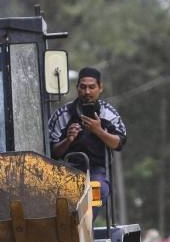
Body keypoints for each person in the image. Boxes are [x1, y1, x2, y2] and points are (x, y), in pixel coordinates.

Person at [48, 67, 127, 204]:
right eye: (83, 87)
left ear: (100, 88)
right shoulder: (63, 114)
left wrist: (99, 131)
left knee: (97, 191)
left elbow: (119, 143)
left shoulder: (108, 113)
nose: (87, 92)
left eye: (92, 87)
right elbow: (51, 152)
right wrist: (68, 140)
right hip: (66, 170)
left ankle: (84, 225)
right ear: (77, 87)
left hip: (97, 171)